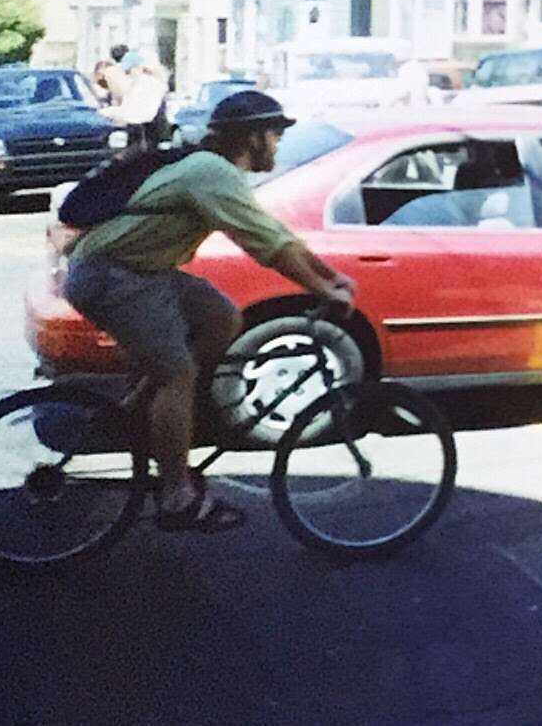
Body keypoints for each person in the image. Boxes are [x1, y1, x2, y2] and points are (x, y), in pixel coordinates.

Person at [61, 91, 358, 533]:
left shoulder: (211, 169)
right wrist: (322, 289)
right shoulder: (210, 171)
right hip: (113, 276)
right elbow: (267, 245)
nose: (277, 145)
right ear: (254, 138)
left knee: (223, 318)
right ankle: (177, 498)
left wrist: (331, 277)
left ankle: (137, 410)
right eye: (275, 135)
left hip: (141, 272)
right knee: (178, 375)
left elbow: (275, 234)